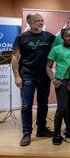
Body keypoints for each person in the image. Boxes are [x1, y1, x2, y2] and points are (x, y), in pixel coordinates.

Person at [12, 13, 55, 146]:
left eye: (42, 20)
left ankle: (41, 128)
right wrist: (17, 76)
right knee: (26, 106)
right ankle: (26, 133)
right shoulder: (21, 37)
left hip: (44, 77)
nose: (41, 22)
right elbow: (15, 58)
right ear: (29, 22)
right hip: (27, 76)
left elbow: (64, 41)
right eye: (37, 21)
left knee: (43, 104)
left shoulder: (49, 36)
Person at [46, 28, 70, 145]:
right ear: (62, 37)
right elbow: (48, 66)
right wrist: (53, 80)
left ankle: (69, 130)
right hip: (62, 82)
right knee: (62, 107)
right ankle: (56, 134)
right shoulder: (56, 49)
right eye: (67, 36)